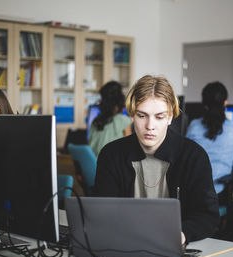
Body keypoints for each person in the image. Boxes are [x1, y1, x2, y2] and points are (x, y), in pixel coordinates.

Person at [93, 75, 219, 243]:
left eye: (159, 117)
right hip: (124, 243)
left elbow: (207, 216)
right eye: (142, 115)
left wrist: (181, 235)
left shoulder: (194, 156)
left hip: (174, 245)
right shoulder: (111, 155)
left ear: (170, 117)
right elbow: (103, 213)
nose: (150, 126)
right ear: (131, 115)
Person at [185, 81, 233, 240]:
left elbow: (186, 159)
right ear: (225, 103)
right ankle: (227, 234)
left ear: (204, 105)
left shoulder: (193, 126)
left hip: (192, 193)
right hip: (218, 194)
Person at [88, 81, 132, 156]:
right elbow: (129, 150)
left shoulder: (95, 122)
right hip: (111, 165)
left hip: (95, 165)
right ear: (120, 101)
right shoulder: (124, 121)